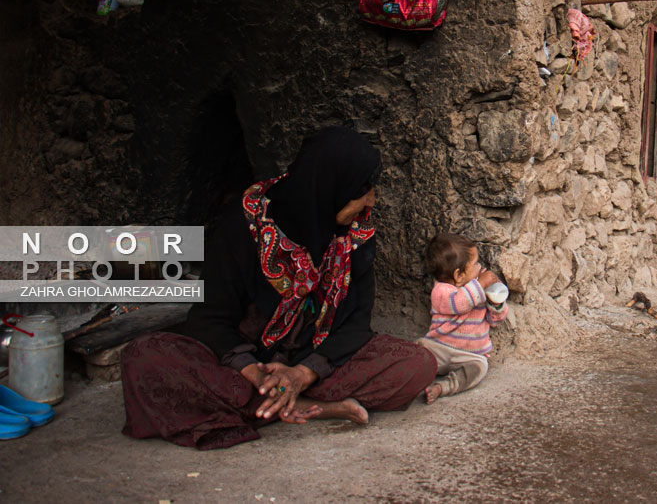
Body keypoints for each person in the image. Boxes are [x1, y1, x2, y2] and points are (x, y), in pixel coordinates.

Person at [121, 127, 437, 449]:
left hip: (312, 360)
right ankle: (304, 407)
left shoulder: (355, 235)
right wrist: (256, 375)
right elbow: (210, 318)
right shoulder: (245, 224)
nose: (371, 199)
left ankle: (274, 403)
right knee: (143, 357)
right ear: (328, 186)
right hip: (246, 366)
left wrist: (301, 375)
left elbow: (356, 324)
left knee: (417, 365)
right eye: (362, 189)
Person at [418, 233, 508, 404]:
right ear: (458, 275)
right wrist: (480, 285)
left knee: (479, 368)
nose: (480, 267)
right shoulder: (441, 291)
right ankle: (411, 378)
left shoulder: (477, 291)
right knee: (418, 352)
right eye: (475, 265)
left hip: (469, 355)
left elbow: (495, 320)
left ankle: (443, 387)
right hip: (439, 348)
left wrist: (496, 302)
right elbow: (460, 302)